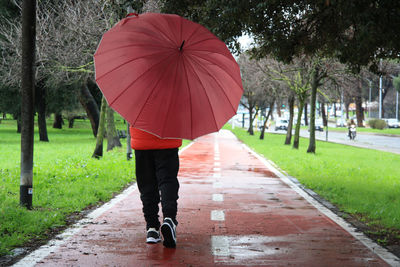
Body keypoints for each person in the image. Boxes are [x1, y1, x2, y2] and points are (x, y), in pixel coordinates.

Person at [129, 126, 182, 248]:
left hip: (141, 136)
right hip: (168, 137)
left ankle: (152, 227)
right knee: (167, 180)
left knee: (146, 183)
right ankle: (169, 219)